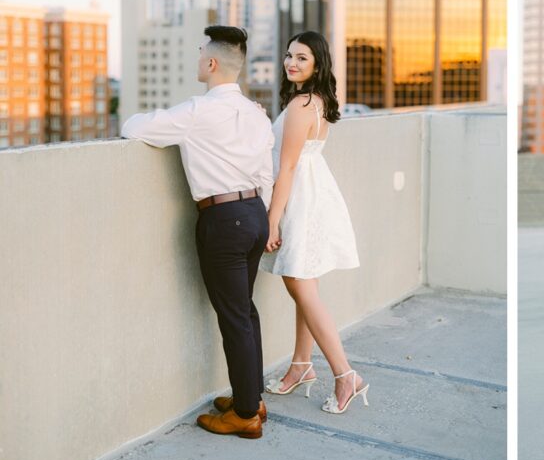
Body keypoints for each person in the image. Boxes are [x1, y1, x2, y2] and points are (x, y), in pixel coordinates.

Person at [122, 25, 273, 439]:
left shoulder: (197, 111)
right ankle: (252, 396)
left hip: (224, 220)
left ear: (210, 63)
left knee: (235, 317)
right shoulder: (256, 114)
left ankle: (245, 414)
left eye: (199, 53)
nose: (197, 59)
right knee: (246, 310)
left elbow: (135, 127)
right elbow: (265, 173)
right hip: (256, 212)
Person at [259, 31, 367, 415]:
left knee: (302, 289)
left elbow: (286, 167)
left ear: (317, 63)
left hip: (298, 202)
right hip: (314, 196)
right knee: (306, 287)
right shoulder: (317, 101)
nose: (292, 62)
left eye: (302, 58)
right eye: (289, 55)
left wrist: (272, 221)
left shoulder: (301, 105)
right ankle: (301, 366)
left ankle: (345, 375)